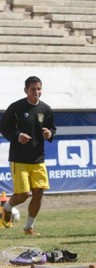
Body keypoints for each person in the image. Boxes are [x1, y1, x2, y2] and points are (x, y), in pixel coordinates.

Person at [0, 76, 56, 236]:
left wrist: (49, 133)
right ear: (26, 90)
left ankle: (28, 227)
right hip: (19, 158)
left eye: (39, 89)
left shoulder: (46, 109)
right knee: (24, 194)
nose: (36, 92)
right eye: (33, 89)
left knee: (39, 193)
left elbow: (52, 129)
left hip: (38, 158)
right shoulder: (16, 108)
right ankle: (7, 208)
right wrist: (17, 136)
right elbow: (4, 127)